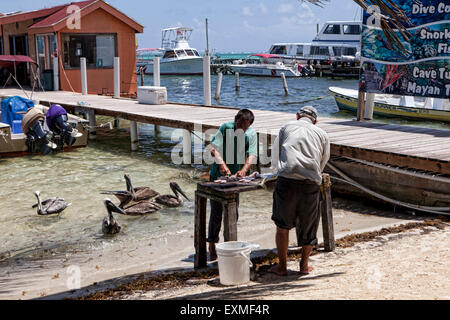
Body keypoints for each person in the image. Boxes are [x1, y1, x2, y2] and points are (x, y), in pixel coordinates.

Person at [270, 106, 330, 276]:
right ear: (315, 121)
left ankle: (282, 267)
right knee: (309, 226)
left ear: (297, 116)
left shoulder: (286, 127)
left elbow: (276, 154)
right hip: (310, 182)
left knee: (282, 225)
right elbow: (324, 159)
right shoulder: (322, 133)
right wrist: (315, 175)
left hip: (287, 180)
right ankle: (303, 266)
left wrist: (276, 171)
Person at [207, 109, 258, 260]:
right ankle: (212, 244)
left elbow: (252, 155)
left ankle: (229, 245)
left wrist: (244, 170)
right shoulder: (225, 127)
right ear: (236, 120)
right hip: (217, 175)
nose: (241, 129)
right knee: (216, 213)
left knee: (233, 212)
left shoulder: (251, 134)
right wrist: (221, 164)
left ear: (249, 126)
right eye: (239, 125)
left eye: (245, 127)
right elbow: (213, 149)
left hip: (235, 178)